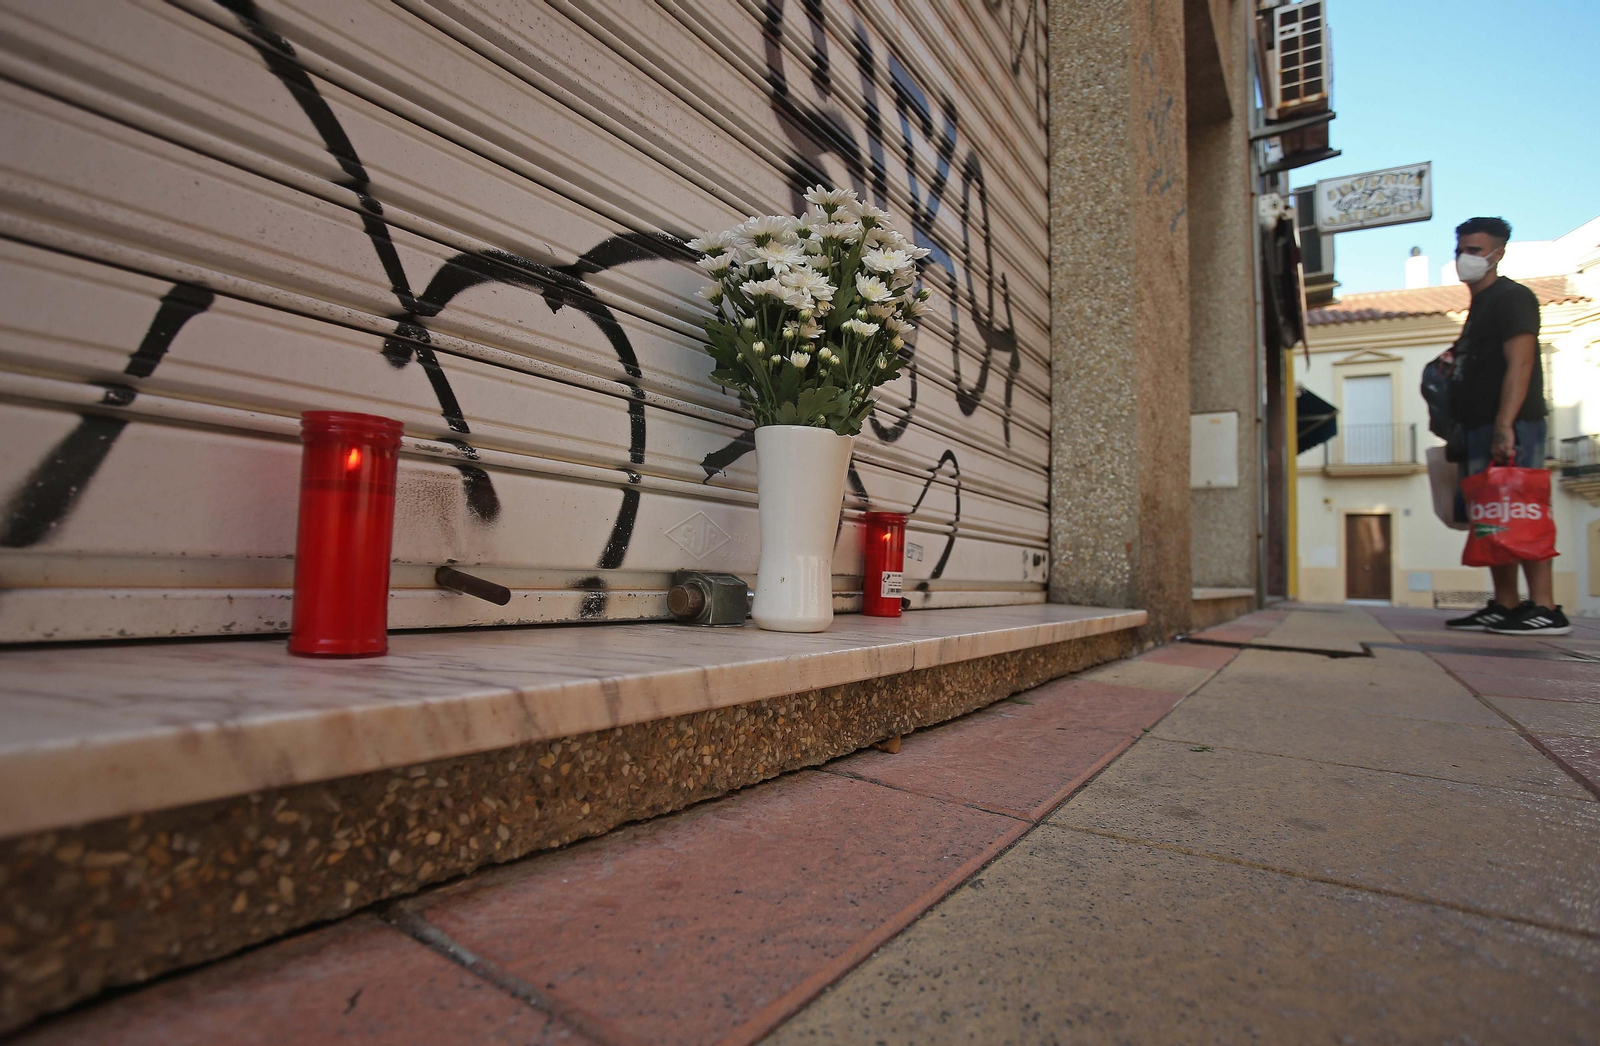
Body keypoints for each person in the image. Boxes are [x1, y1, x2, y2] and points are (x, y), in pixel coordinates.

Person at [1444, 216, 1570, 635]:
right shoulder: (1479, 308)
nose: (1465, 258)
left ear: (1498, 253)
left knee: (1523, 509)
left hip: (1513, 424)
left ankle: (1546, 607)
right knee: (1493, 517)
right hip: (1478, 426)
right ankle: (1505, 603)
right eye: (1461, 250)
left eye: (1475, 251)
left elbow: (1522, 362)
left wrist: (1504, 424)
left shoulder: (1513, 298)